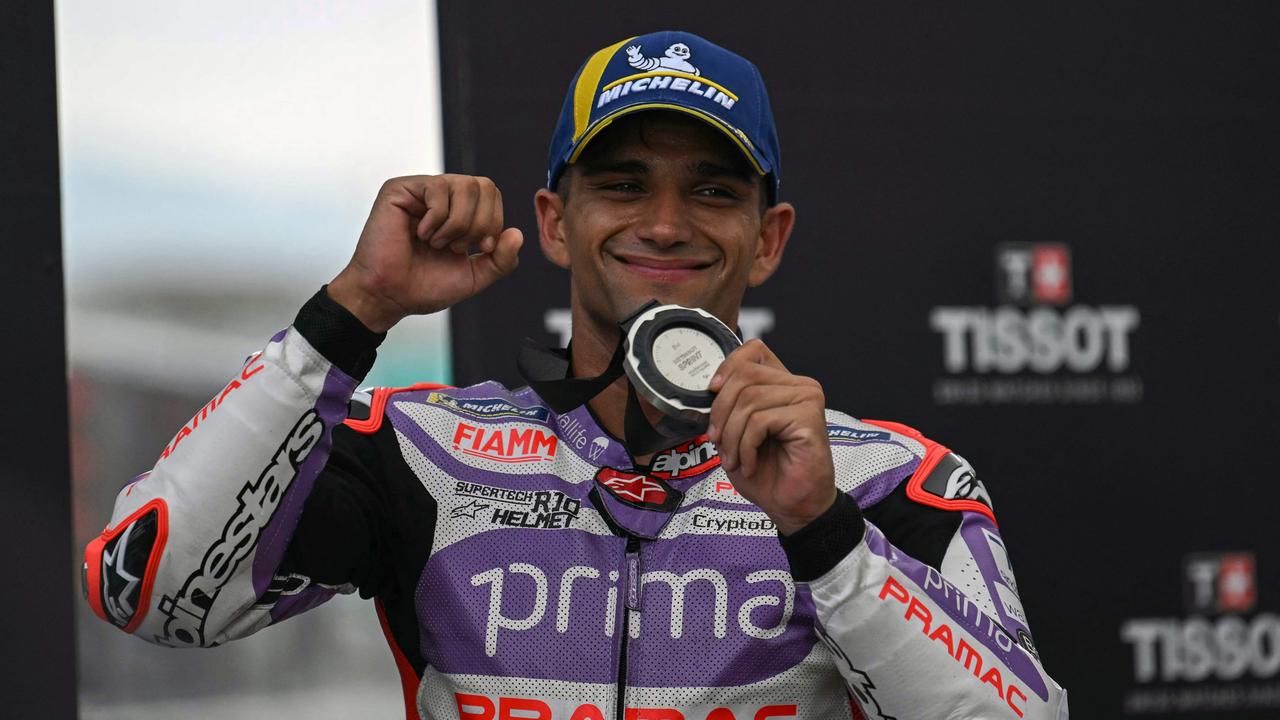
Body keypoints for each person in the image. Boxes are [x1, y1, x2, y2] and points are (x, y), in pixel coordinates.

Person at [83, 30, 1068, 720]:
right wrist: (352, 310)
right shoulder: (422, 453)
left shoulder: (887, 481)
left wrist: (820, 532)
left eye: (712, 191)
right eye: (621, 183)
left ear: (766, 240)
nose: (665, 222)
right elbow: (149, 589)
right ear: (555, 221)